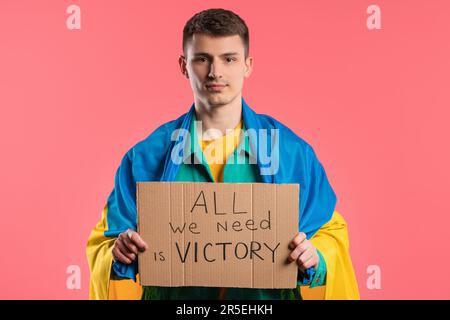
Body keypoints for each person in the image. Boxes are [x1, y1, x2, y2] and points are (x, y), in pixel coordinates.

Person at [86, 8, 359, 300]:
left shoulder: (293, 153)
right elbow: (105, 242)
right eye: (202, 59)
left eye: (229, 59)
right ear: (183, 65)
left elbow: (330, 232)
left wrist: (317, 256)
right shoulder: (144, 157)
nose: (215, 72)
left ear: (247, 65)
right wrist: (118, 253)